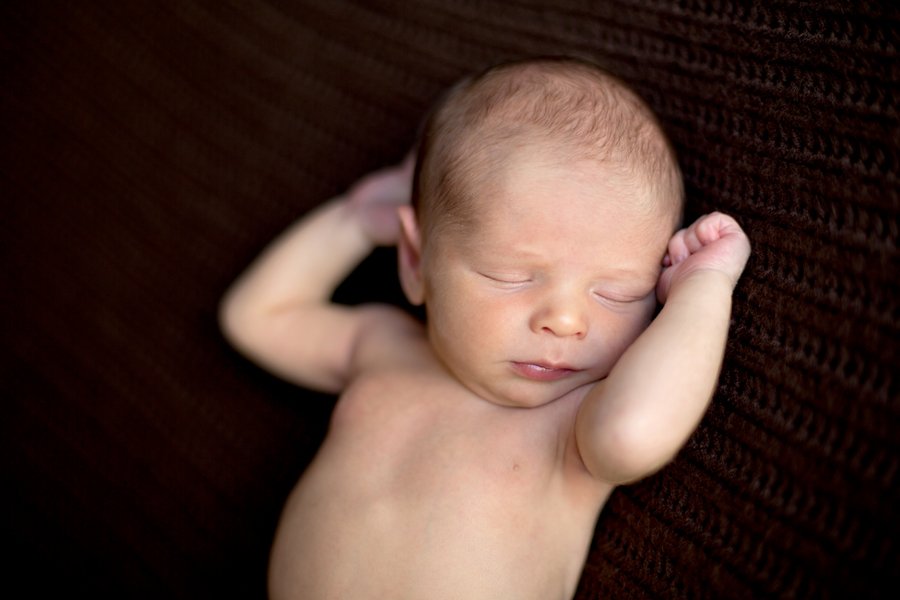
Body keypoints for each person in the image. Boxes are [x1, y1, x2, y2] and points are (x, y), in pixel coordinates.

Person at [219, 57, 751, 600]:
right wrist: (355, 222)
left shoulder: (573, 427)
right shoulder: (385, 348)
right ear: (413, 260)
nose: (565, 320)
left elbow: (637, 431)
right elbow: (255, 318)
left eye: (620, 293)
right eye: (511, 277)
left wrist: (703, 289)